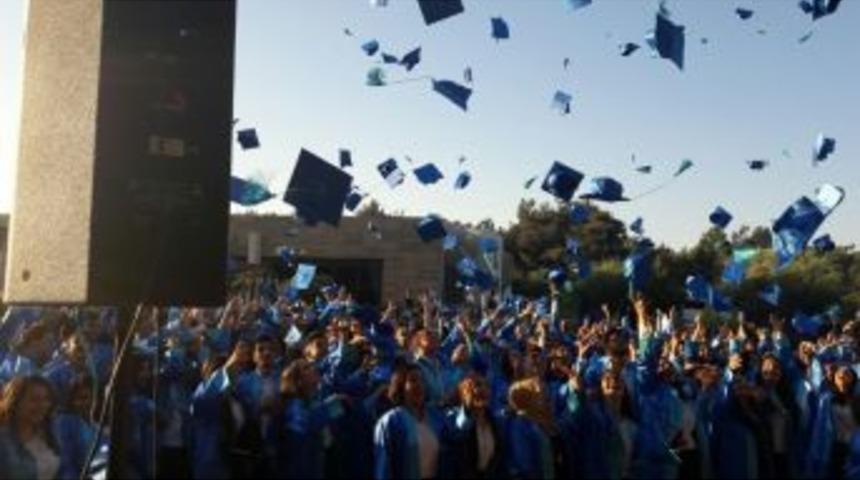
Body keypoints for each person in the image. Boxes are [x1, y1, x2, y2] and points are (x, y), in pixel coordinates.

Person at [374, 362, 445, 480]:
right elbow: (383, 469)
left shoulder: (434, 417)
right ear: (400, 385)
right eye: (413, 380)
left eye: (422, 380)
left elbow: (456, 431)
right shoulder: (390, 421)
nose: (419, 384)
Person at [0, 375, 61, 480]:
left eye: (46, 399)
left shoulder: (49, 433)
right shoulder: (3, 439)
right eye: (34, 399)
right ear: (16, 401)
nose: (42, 405)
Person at [444, 373, 504, 479]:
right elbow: (458, 433)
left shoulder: (494, 421)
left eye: (487, 386)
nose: (483, 389)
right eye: (477, 385)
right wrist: (468, 410)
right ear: (464, 392)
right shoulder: (452, 416)